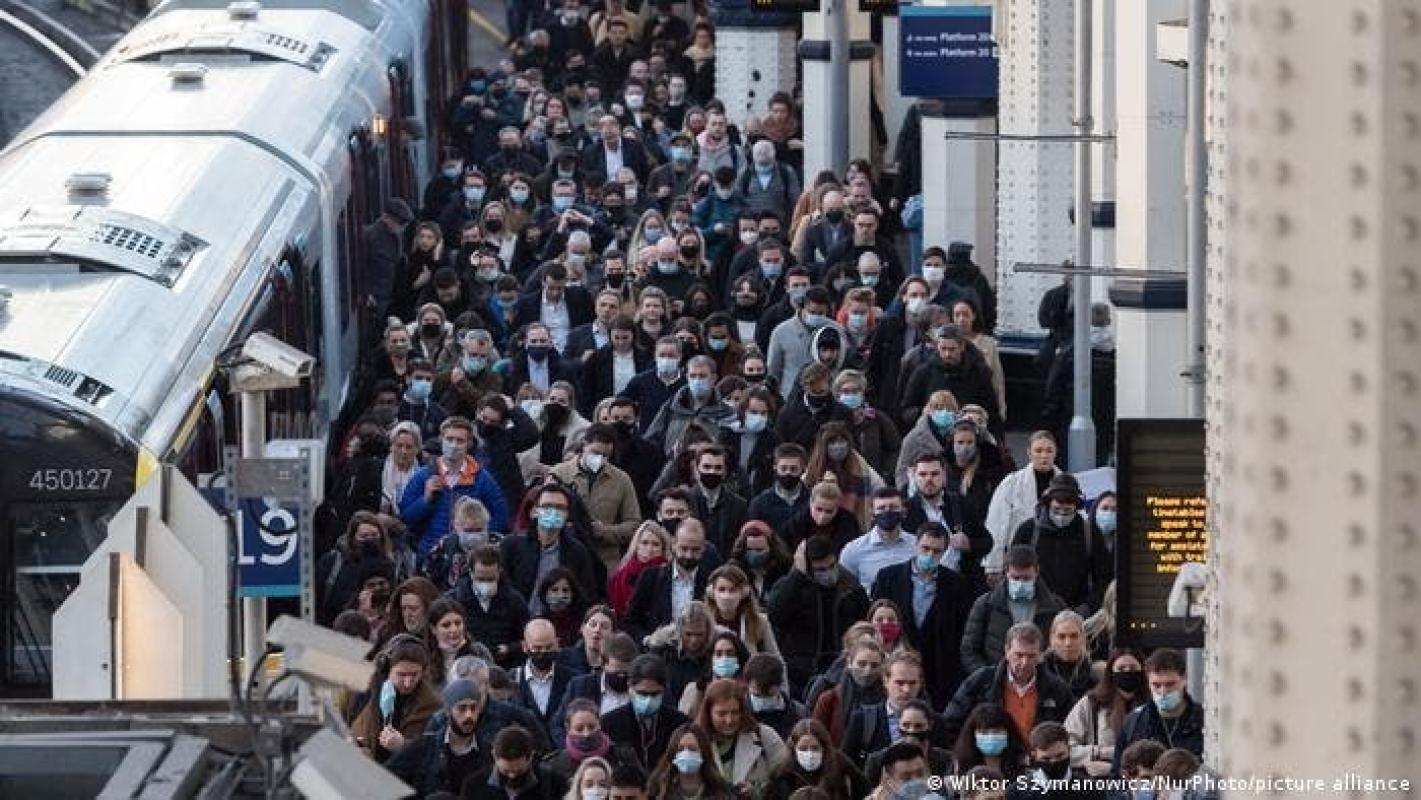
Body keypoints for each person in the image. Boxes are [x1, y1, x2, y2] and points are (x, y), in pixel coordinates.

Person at [869, 523, 975, 708]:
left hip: (939, 671)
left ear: (944, 552)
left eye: (937, 551)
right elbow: (875, 619)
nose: (930, 555)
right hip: (896, 665)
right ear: (916, 545)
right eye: (925, 548)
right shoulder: (889, 577)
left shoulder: (956, 584)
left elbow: (961, 629)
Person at [766, 535, 871, 694]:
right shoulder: (792, 587)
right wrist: (797, 576)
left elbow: (864, 622)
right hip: (801, 672)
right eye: (820, 569)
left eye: (832, 565)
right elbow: (775, 614)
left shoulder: (851, 587)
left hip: (841, 667)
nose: (828, 572)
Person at [943, 623, 1076, 745]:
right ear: (1007, 651)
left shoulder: (1057, 689)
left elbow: (1071, 731)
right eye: (1019, 655)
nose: (1024, 663)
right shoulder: (982, 681)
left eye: (1031, 656)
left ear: (1041, 656)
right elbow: (950, 722)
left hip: (1039, 759)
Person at [399, 416, 512, 555]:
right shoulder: (424, 475)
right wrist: (425, 499)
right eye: (449, 439)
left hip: (468, 554)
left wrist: (477, 533)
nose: (453, 445)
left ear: (469, 444)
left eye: (460, 441)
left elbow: (502, 517)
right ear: (441, 439)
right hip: (431, 553)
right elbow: (406, 518)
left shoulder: (481, 478)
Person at [1010, 473, 1111, 615]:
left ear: (1076, 507)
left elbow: (1104, 577)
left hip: (1078, 611)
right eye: (1056, 509)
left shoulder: (1090, 533)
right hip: (1035, 610)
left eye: (1068, 511)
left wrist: (1088, 607)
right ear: (1048, 504)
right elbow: (1013, 570)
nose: (1062, 515)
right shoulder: (1027, 531)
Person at [961, 546, 1067, 673]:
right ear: (1006, 572)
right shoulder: (986, 604)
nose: (1021, 583)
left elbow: (1064, 648)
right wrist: (988, 677)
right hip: (996, 678)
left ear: (1036, 571)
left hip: (1041, 679)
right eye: (1015, 578)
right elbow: (969, 650)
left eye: (1026, 578)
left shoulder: (1055, 606)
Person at [550, 424, 644, 567]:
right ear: (584, 445)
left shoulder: (622, 480)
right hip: (564, 557)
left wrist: (605, 531)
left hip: (604, 561)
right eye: (595, 452)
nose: (599, 459)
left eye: (605, 456)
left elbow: (634, 524)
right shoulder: (559, 473)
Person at [499, 482, 599, 610]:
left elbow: (586, 596)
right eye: (547, 506)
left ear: (567, 514)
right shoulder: (511, 546)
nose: (553, 512)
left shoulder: (577, 552)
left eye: (559, 507)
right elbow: (502, 589)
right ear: (535, 511)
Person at [1111, 649, 1204, 774]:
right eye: (1156, 685)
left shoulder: (1203, 721)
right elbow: (1117, 775)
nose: (1163, 692)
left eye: (1170, 684)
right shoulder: (1134, 722)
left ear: (1184, 679)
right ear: (1148, 682)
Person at [351, 635, 444, 762]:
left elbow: (434, 752)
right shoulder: (365, 689)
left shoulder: (432, 705)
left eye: (414, 675)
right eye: (401, 674)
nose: (408, 683)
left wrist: (404, 746)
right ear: (386, 669)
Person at [985, 432, 1060, 581]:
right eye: (1038, 451)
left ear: (1055, 452)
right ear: (1029, 453)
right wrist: (993, 565)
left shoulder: (1066, 482)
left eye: (1049, 451)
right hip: (1019, 557)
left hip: (1056, 558)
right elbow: (996, 524)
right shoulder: (1012, 483)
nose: (1044, 456)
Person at [624, 519, 712, 643]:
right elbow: (630, 620)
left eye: (695, 550)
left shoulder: (711, 580)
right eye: (684, 549)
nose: (689, 555)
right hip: (658, 650)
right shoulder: (651, 577)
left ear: (703, 548)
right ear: (673, 544)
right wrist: (648, 640)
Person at [1064, 648, 1147, 778]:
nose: (1127, 672)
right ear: (1111, 672)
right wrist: (1100, 752)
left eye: (1132, 668)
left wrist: (1115, 768)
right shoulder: (1091, 703)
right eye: (1121, 668)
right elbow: (1065, 749)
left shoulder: (1153, 705)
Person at [900, 326, 1000, 434]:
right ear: (937, 347)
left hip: (968, 435)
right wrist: (925, 413)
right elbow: (906, 410)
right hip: (932, 435)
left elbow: (992, 411)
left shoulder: (978, 374)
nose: (947, 354)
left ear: (962, 347)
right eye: (943, 349)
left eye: (952, 349)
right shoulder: (923, 373)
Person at [603, 654, 692, 771]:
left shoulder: (680, 723)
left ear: (664, 690)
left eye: (655, 694)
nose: (649, 700)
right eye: (642, 694)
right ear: (630, 688)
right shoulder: (609, 723)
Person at [450, 545, 531, 668]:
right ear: (471, 573)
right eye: (481, 579)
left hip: (504, 666)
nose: (486, 583)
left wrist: (510, 649)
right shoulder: (455, 600)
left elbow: (528, 637)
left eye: (491, 579)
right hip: (465, 665)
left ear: (499, 572)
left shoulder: (514, 600)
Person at [554, 633, 641, 742]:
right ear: (603, 662)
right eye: (617, 673)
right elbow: (558, 726)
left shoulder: (643, 690)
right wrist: (572, 748)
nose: (622, 677)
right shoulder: (580, 686)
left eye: (627, 673)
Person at [645, 355, 737, 456]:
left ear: (714, 378)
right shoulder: (672, 407)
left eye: (702, 376)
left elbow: (732, 449)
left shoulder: (726, 413)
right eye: (693, 376)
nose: (697, 381)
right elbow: (652, 440)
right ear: (687, 377)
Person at [317, 512, 397, 625]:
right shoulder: (333, 562)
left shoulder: (390, 564)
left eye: (374, 535)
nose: (370, 540)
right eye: (364, 536)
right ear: (353, 538)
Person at [766, 288, 843, 399]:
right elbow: (773, 369)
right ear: (803, 307)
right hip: (790, 397)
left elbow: (840, 364)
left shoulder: (836, 330)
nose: (816, 316)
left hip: (826, 396)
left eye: (821, 313)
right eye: (812, 312)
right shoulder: (781, 331)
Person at [810, 638, 885, 747]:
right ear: (849, 662)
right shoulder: (829, 699)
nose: (867, 671)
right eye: (861, 664)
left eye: (874, 665)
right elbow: (814, 738)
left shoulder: (887, 699)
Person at [840, 488, 917, 593]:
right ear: (872, 513)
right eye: (881, 508)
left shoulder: (917, 545)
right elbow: (845, 588)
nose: (887, 511)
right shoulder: (853, 550)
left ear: (903, 511)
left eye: (893, 507)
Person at [460, 725, 561, 800]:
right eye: (505, 771)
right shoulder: (473, 786)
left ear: (530, 757)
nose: (512, 776)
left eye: (519, 771)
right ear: (494, 756)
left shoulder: (553, 784)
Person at [707, 563, 780, 656]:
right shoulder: (704, 622)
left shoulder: (760, 622)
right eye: (721, 589)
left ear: (744, 593)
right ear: (711, 592)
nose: (726, 596)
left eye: (732, 590)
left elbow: (775, 659)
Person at [691, 445, 750, 555]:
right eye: (707, 467)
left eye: (718, 468)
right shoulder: (685, 500)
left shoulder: (738, 505)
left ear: (725, 471)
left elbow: (742, 542)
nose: (712, 472)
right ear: (697, 469)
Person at [950, 703, 1028, 782]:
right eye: (984, 732)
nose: (991, 737)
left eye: (997, 731)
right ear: (972, 734)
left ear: (1009, 734)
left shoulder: (1022, 764)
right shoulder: (960, 765)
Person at [609, 522, 672, 618]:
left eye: (655, 544)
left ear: (662, 549)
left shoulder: (669, 574)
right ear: (636, 546)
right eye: (644, 543)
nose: (649, 549)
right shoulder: (620, 575)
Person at [746, 444, 810, 532]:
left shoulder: (811, 500)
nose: (788, 473)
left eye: (793, 469)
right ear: (775, 467)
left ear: (803, 469)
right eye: (783, 468)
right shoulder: (760, 503)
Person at [744, 653, 806, 741]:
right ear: (747, 684)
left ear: (780, 684)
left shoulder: (799, 713)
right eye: (757, 695)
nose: (763, 700)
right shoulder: (739, 713)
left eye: (769, 695)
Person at [1041, 611, 1095, 702]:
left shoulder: (1094, 672)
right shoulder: (1039, 670)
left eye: (1074, 636)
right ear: (1052, 639)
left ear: (1083, 638)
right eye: (1061, 637)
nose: (1068, 643)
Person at [428, 597, 478, 688]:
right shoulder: (424, 657)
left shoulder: (479, 651)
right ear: (433, 629)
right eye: (446, 625)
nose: (454, 629)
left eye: (458, 623)